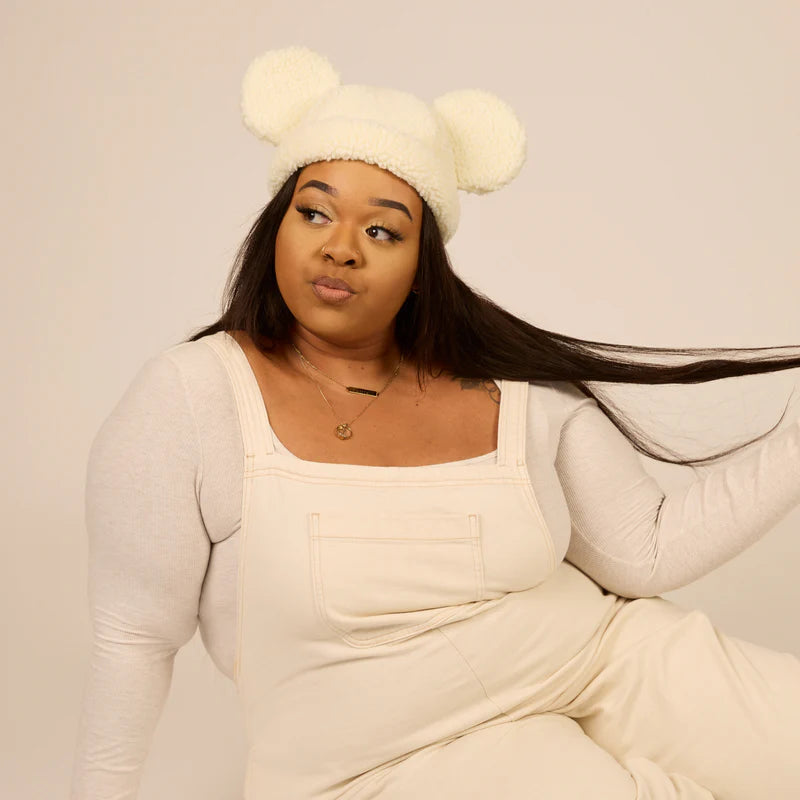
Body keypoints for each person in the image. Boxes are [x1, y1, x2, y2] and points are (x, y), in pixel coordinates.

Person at [70, 46, 800, 800]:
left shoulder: (510, 384)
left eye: (382, 231)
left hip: (606, 662)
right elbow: (134, 638)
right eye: (314, 211)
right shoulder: (189, 398)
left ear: (424, 265)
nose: (340, 248)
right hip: (388, 765)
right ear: (276, 227)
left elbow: (645, 553)